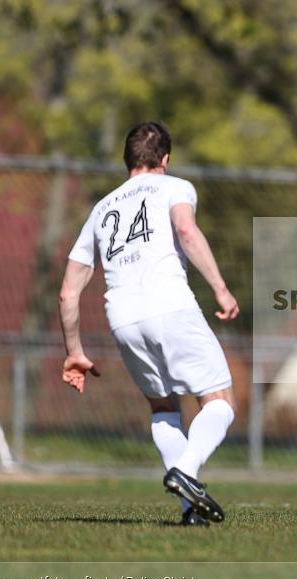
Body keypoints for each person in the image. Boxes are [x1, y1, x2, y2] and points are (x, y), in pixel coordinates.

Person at [59, 122, 239, 526]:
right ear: (166, 160)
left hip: (123, 319)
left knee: (163, 407)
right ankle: (186, 473)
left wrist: (74, 353)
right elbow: (186, 231)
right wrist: (221, 288)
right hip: (171, 306)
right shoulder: (175, 187)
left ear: (128, 161)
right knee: (220, 402)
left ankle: (190, 510)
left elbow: (68, 293)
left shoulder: (100, 209)